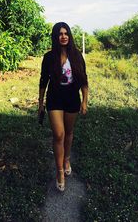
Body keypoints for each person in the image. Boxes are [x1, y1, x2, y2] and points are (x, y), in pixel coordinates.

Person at [38, 22, 88, 192]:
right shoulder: (49, 57)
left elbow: (83, 79)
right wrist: (40, 104)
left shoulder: (77, 56)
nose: (63, 36)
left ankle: (67, 159)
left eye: (66, 33)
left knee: (69, 132)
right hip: (54, 99)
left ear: (70, 35)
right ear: (55, 36)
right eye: (60, 33)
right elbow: (43, 81)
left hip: (72, 98)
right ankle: (59, 171)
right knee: (59, 134)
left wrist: (84, 101)